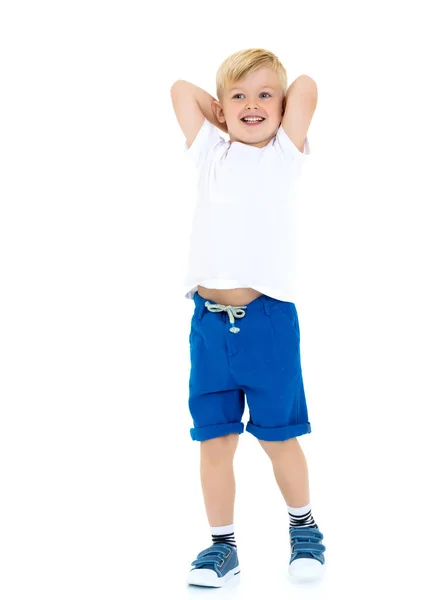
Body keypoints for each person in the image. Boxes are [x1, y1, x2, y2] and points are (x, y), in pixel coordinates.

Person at [170, 48, 326, 588]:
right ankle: (222, 546)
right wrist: (219, 115)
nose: (251, 105)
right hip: (208, 325)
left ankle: (305, 530)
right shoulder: (211, 153)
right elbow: (180, 90)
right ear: (221, 108)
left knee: (278, 436)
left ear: (283, 110)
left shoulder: (285, 154)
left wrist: (277, 105)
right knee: (214, 441)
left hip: (267, 322)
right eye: (238, 96)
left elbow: (305, 84)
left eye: (265, 95)